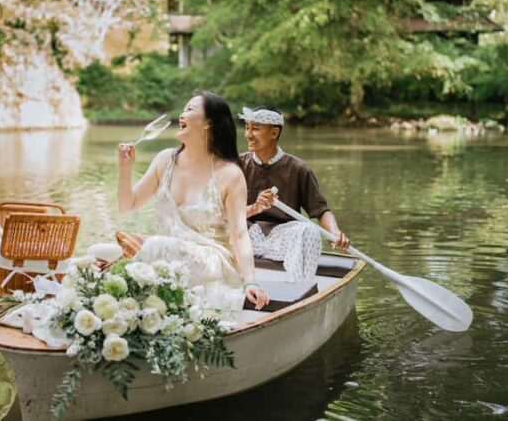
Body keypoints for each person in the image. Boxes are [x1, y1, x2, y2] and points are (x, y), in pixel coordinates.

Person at [118, 92, 270, 315]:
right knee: (105, 254)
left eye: (189, 109)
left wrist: (250, 281)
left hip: (210, 261)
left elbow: (239, 234)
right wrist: (125, 169)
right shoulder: (165, 160)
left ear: (208, 123)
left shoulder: (230, 174)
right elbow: (127, 206)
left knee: (154, 245)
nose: (182, 114)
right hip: (167, 259)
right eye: (183, 109)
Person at [240, 105, 350, 282]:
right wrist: (255, 207)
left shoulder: (298, 168)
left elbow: (321, 210)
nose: (248, 134)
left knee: (309, 231)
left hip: (283, 240)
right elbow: (222, 213)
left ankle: (298, 287)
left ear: (274, 133)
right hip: (244, 236)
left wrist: (335, 232)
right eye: (247, 128)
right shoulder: (237, 165)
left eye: (256, 129)